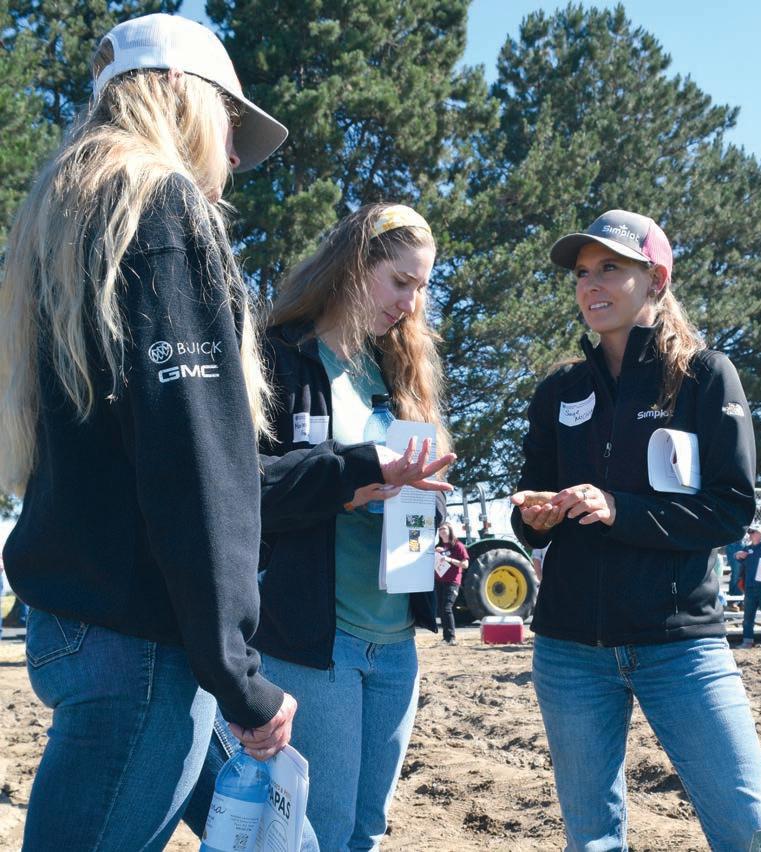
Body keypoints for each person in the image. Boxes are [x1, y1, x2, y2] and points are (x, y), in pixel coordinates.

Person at [0, 14, 300, 850]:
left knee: (283, 838)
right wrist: (238, 673)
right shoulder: (158, 205)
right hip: (143, 640)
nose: (232, 154)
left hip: (81, 624)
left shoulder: (58, 220)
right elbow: (191, 457)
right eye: (228, 121)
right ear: (175, 90)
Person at [185, 203, 454, 851]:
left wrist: (434, 531)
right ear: (353, 265)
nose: (411, 304)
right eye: (400, 281)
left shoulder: (400, 373)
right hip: (313, 642)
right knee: (321, 834)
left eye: (421, 288)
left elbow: (413, 489)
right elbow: (240, 491)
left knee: (366, 831)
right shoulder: (277, 358)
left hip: (394, 641)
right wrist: (351, 481)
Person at [511, 209, 761, 850]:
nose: (591, 284)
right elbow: (531, 514)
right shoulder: (558, 390)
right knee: (592, 841)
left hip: (680, 646)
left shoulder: (706, 376)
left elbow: (729, 509)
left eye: (610, 268)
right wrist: (533, 518)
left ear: (656, 279)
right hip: (569, 651)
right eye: (582, 272)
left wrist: (618, 508)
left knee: (751, 832)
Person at [435, 522, 469, 645]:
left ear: (450, 530)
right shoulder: (438, 546)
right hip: (439, 581)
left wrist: (449, 559)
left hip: (452, 581)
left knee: (447, 607)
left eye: (444, 528)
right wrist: (435, 552)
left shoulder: (458, 545)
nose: (441, 531)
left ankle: (451, 638)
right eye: (440, 529)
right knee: (441, 609)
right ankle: (446, 638)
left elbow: (465, 564)